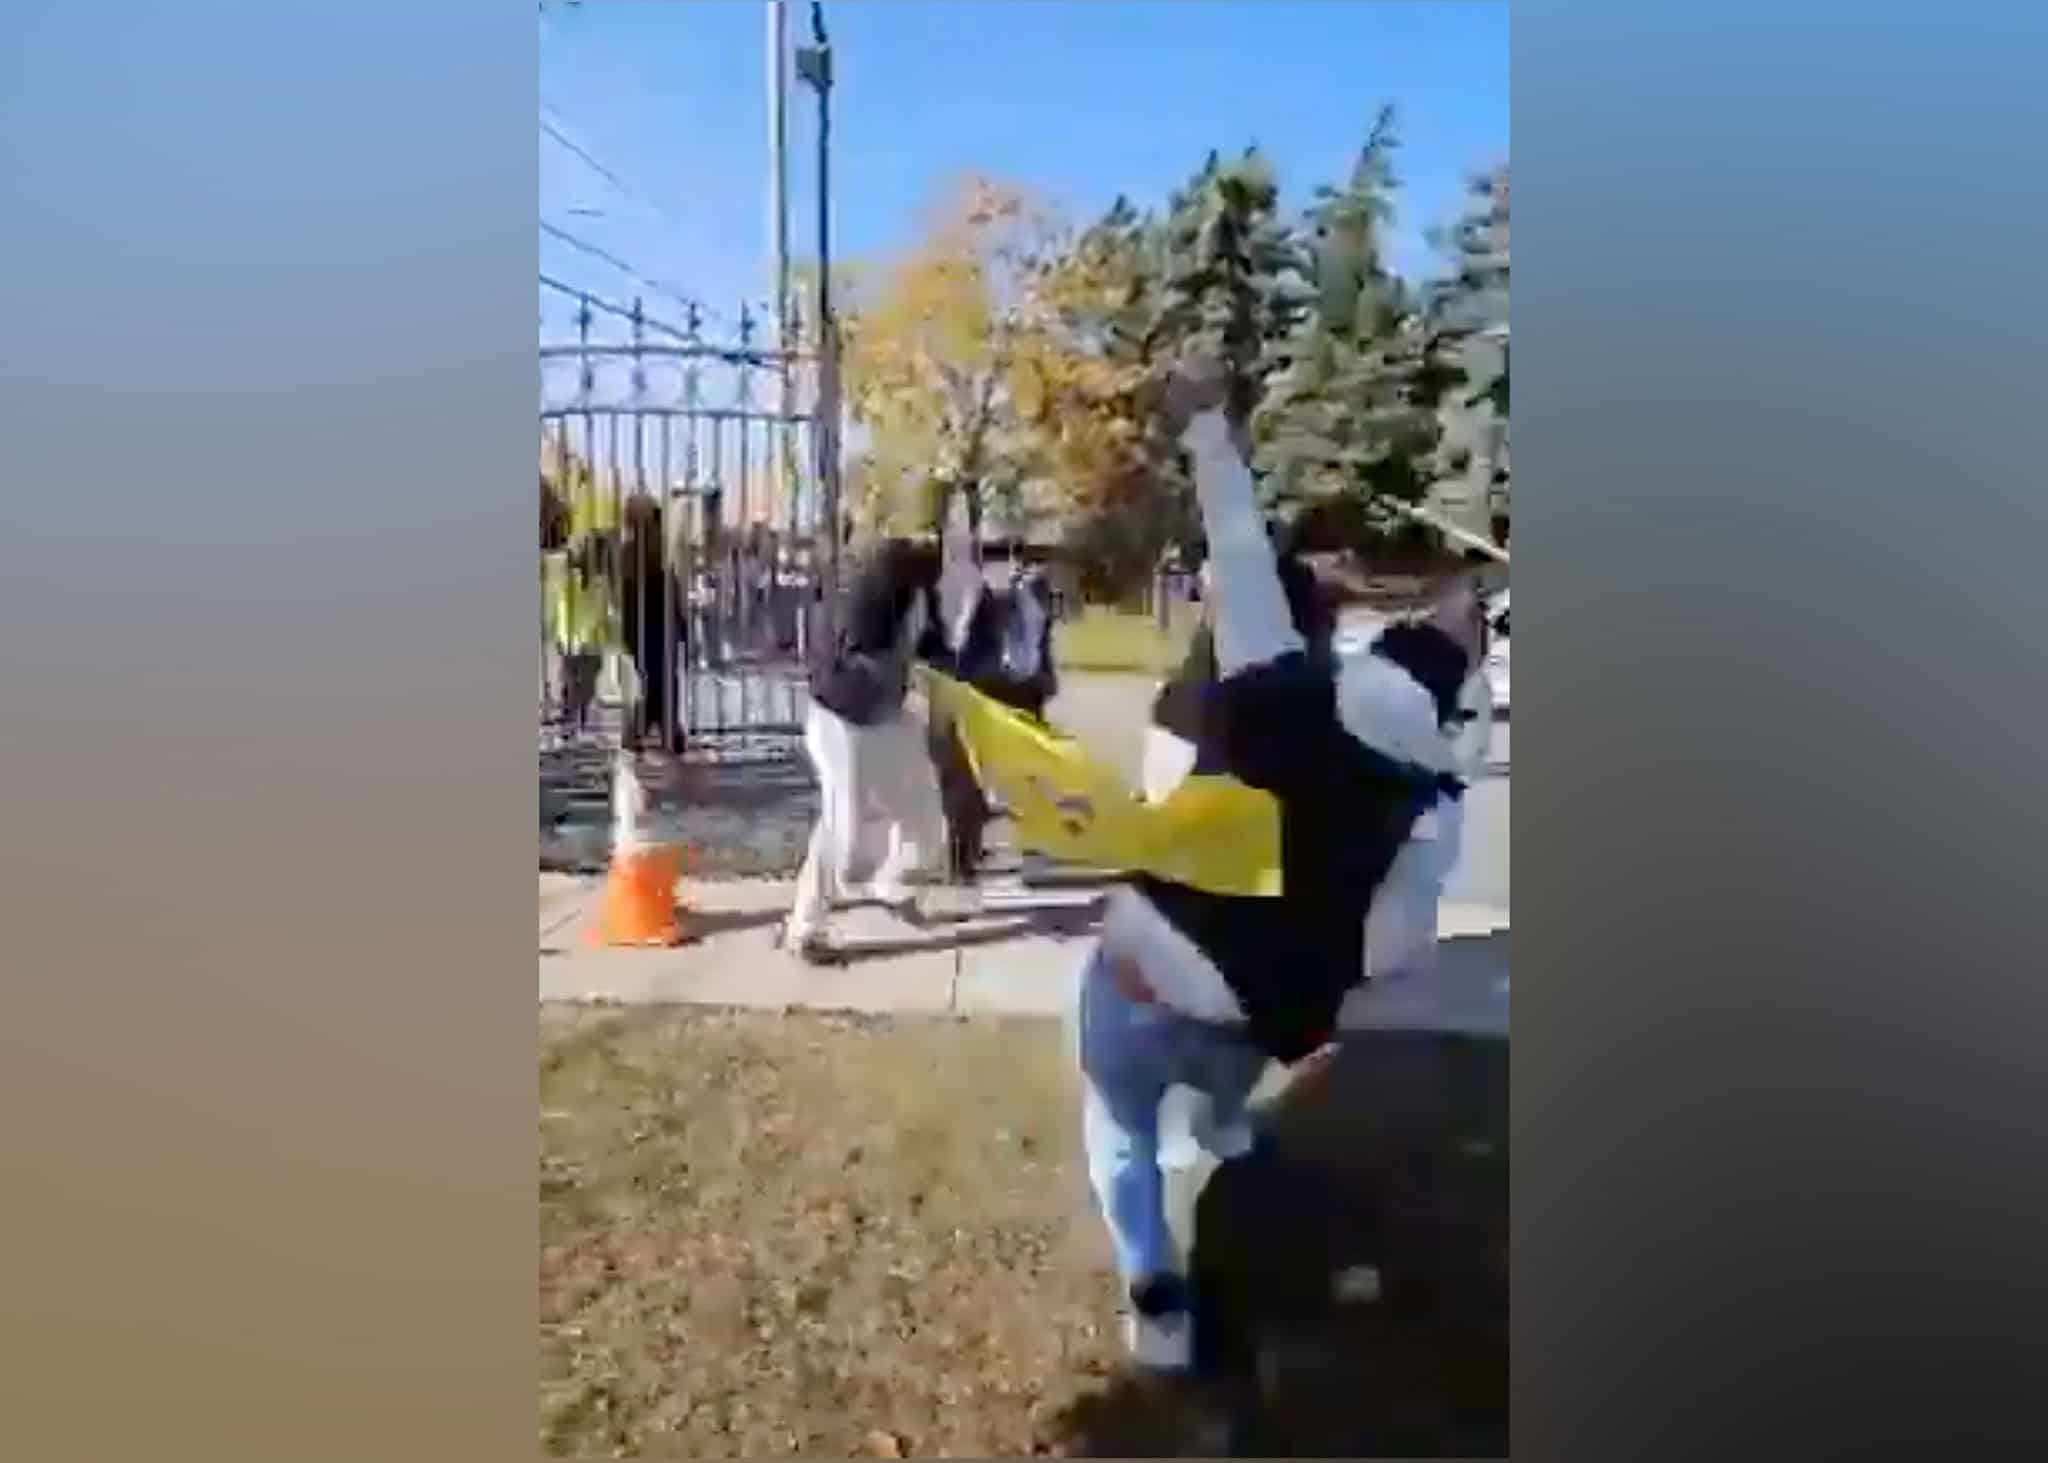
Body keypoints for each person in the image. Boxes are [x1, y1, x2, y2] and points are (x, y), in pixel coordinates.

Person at [1076, 360, 1485, 1371]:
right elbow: (1395, 946)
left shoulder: (1278, 688)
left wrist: (1209, 425)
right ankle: (1217, 1129)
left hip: (1137, 976)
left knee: (1119, 1129)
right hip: (1251, 1017)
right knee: (1215, 1089)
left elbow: (1238, 543)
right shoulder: (1427, 798)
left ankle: (1152, 1286)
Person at [781, 538, 950, 963]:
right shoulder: (863, 596)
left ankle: (894, 885)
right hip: (844, 720)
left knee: (925, 819)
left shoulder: (917, 593)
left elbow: (932, 646)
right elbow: (840, 668)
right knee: (845, 838)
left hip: (889, 714)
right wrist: (899, 673)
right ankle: (806, 929)